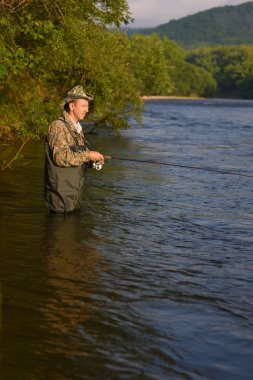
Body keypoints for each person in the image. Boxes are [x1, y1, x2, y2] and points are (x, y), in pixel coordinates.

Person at [44, 85, 104, 214]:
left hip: (74, 196)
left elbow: (76, 157)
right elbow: (60, 158)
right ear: (72, 106)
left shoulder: (77, 128)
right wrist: (88, 155)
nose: (87, 110)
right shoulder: (58, 126)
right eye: (83, 106)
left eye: (87, 106)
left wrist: (93, 162)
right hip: (60, 199)